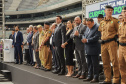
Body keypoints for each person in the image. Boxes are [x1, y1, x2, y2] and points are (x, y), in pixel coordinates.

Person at [98, 5, 120, 84]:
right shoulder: (102, 21)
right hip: (103, 44)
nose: (110, 11)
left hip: (112, 43)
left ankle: (116, 79)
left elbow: (119, 32)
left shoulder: (115, 21)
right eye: (108, 10)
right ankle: (107, 79)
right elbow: (101, 31)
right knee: (105, 62)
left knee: (114, 62)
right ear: (105, 11)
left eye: (111, 10)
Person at [82, 18, 101, 83]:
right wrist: (83, 39)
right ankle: (90, 76)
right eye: (87, 24)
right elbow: (84, 35)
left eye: (89, 24)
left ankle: (96, 77)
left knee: (95, 64)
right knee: (89, 63)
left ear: (93, 22)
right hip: (87, 48)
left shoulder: (97, 27)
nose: (88, 25)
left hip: (94, 48)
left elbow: (96, 37)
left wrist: (87, 40)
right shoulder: (87, 27)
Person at [118, 6, 126, 84]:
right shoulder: (120, 24)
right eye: (124, 12)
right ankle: (123, 82)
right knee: (121, 65)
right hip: (120, 46)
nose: (125, 13)